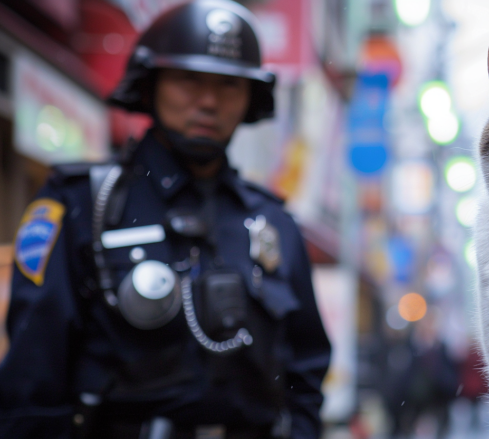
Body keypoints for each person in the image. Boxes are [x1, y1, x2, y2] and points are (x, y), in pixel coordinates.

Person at [0, 1, 331, 438]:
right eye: (188, 80)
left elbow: (304, 369)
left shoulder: (274, 223)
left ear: (251, 98)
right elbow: (31, 376)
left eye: (229, 85)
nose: (209, 101)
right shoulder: (83, 204)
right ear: (150, 83)